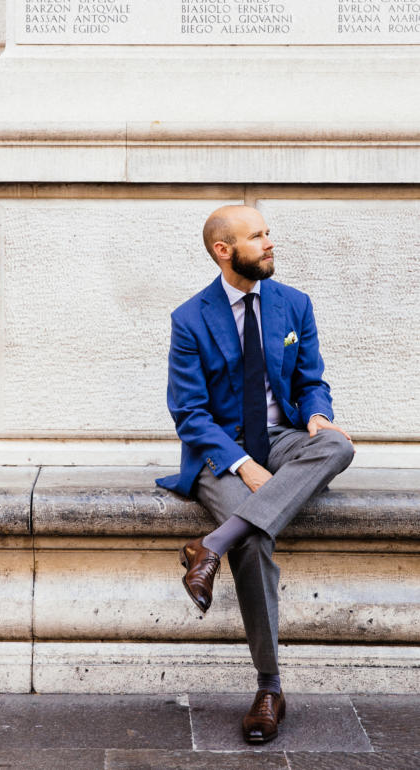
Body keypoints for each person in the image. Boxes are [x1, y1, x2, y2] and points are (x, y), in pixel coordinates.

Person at [156, 204, 355, 744]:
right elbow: (190, 415)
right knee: (254, 544)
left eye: (268, 233)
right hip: (222, 453)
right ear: (225, 251)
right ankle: (270, 687)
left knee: (336, 447)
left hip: (284, 438)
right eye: (257, 236)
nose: (270, 243)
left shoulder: (295, 304)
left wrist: (316, 413)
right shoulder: (190, 318)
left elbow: (312, 380)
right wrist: (243, 467)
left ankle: (210, 545)